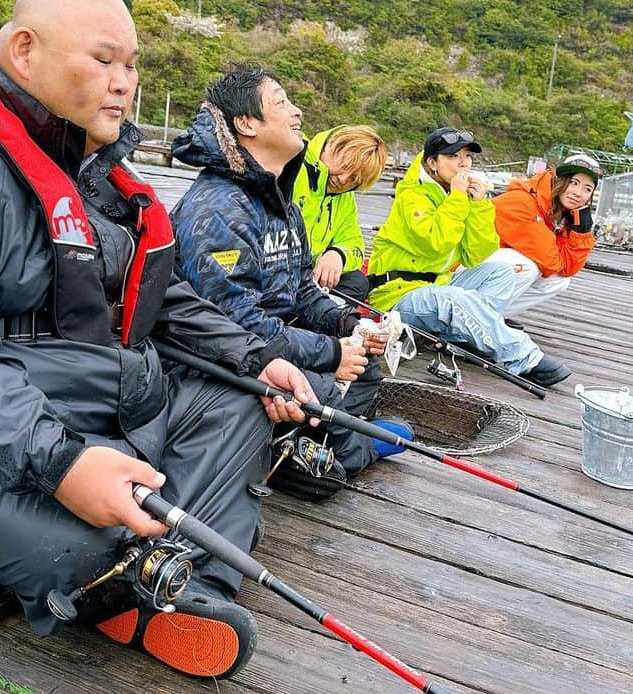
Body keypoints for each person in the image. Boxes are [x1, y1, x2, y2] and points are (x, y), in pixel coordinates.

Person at [0, 0, 318, 681]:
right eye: (103, 60)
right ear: (25, 50)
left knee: (234, 405)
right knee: (88, 550)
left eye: (131, 64)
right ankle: (141, 572)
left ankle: (183, 592)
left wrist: (255, 356)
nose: (123, 81)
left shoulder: (92, 170)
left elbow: (163, 298)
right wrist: (60, 463)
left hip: (93, 405)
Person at [170, 66, 412, 499]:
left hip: (276, 341)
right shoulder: (218, 210)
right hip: (223, 361)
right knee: (324, 462)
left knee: (368, 364)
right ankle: (341, 452)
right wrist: (330, 353)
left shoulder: (280, 202)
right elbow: (233, 324)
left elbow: (301, 289)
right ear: (246, 124)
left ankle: (313, 445)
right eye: (281, 102)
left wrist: (345, 326)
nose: (297, 112)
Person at [367, 127, 571, 388]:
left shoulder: (454, 195)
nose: (463, 163)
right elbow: (435, 242)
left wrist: (479, 204)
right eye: (453, 156)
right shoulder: (412, 194)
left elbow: (477, 254)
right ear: (432, 163)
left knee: (501, 273)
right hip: (397, 295)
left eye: (467, 157)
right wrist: (458, 198)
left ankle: (466, 335)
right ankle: (524, 358)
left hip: (437, 285)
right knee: (455, 299)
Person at [490, 153, 600, 316]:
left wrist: (580, 232)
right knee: (529, 267)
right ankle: (472, 316)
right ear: (558, 180)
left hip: (485, 270)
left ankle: (493, 316)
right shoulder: (521, 202)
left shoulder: (558, 214)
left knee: (558, 282)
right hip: (458, 271)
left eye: (587, 189)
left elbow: (567, 269)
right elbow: (551, 262)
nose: (578, 193)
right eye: (573, 183)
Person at [293, 124, 388, 304]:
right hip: (276, 267)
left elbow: (355, 244)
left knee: (357, 282)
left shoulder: (345, 199)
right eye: (345, 165)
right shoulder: (292, 162)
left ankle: (310, 318)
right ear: (332, 144)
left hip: (307, 278)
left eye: (354, 179)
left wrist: (338, 254)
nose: (343, 179)